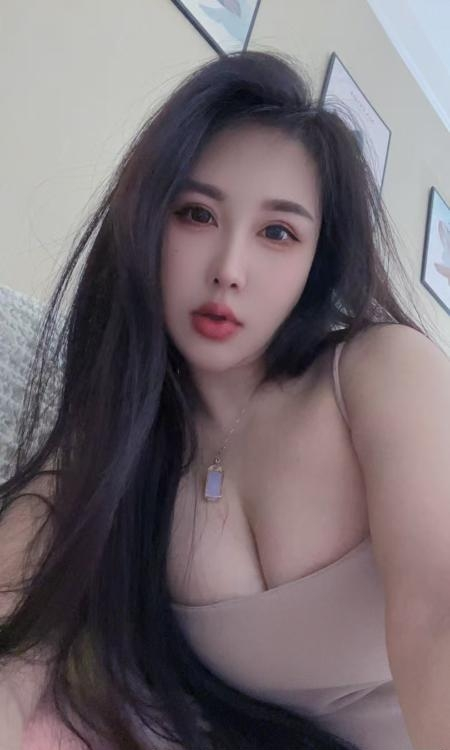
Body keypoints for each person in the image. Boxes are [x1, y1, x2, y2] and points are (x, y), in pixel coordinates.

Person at [1, 50, 450, 750]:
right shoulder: (112, 454)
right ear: (146, 222)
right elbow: (16, 640)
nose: (229, 270)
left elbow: (437, 613)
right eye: (196, 214)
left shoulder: (380, 368)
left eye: (278, 232)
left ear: (318, 260)